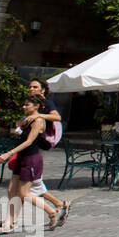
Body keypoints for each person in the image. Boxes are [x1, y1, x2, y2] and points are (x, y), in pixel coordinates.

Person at [0, 95, 60, 235]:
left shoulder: (39, 120)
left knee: (24, 193)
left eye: (27, 105)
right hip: (21, 158)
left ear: (36, 106)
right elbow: (17, 127)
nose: (24, 107)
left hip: (31, 158)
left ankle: (51, 211)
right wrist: (21, 123)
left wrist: (8, 154)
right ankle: (8, 224)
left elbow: (29, 142)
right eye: (24, 104)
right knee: (11, 191)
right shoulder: (26, 119)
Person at [26, 79, 69, 223]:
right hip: (35, 143)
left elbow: (57, 117)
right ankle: (58, 204)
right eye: (30, 87)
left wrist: (39, 115)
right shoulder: (31, 103)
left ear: (43, 89)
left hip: (42, 141)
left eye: (35, 87)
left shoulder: (46, 103)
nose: (31, 89)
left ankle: (56, 206)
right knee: (32, 183)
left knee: (30, 185)